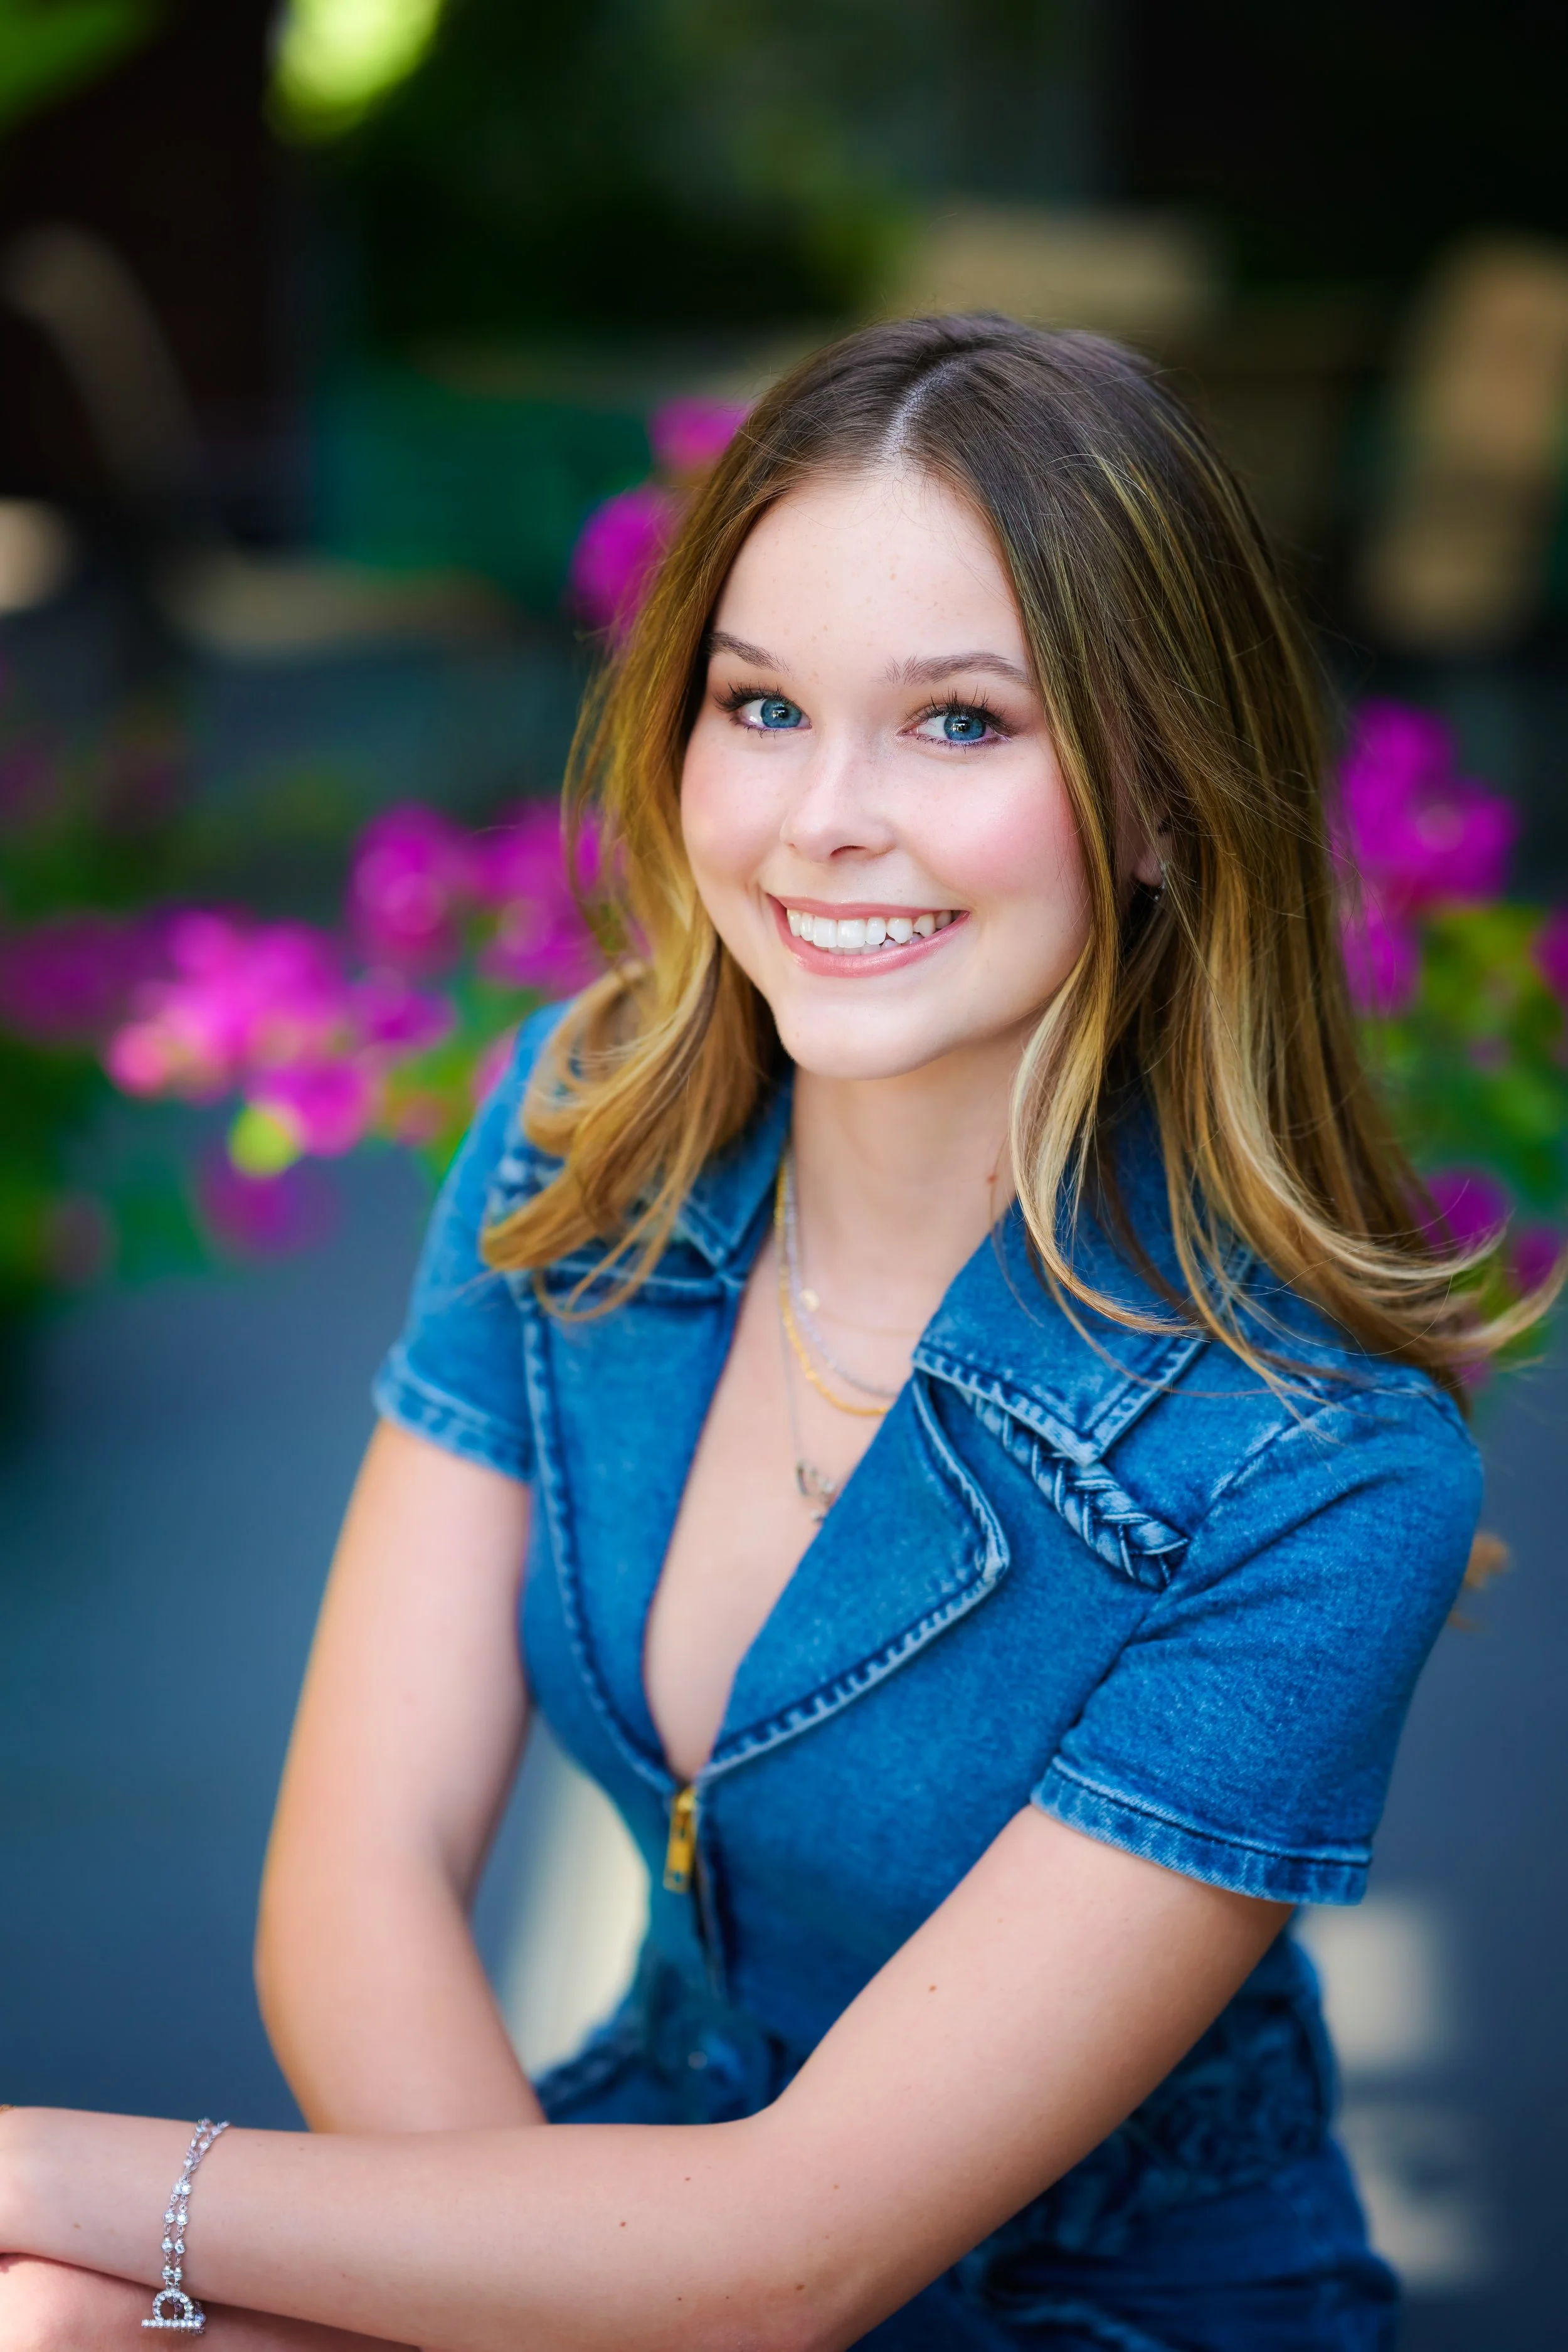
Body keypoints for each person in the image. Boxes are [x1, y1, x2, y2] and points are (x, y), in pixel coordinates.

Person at [1, 313, 1545, 2351]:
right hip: (625, 2181)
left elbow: (793, 2257)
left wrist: (40, 2164)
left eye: (962, 724)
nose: (823, 818)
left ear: (1166, 800)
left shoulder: (1318, 1468)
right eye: (760, 705)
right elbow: (357, 1870)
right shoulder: (581, 1138)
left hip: (1081, 2312)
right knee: (59, 2321)